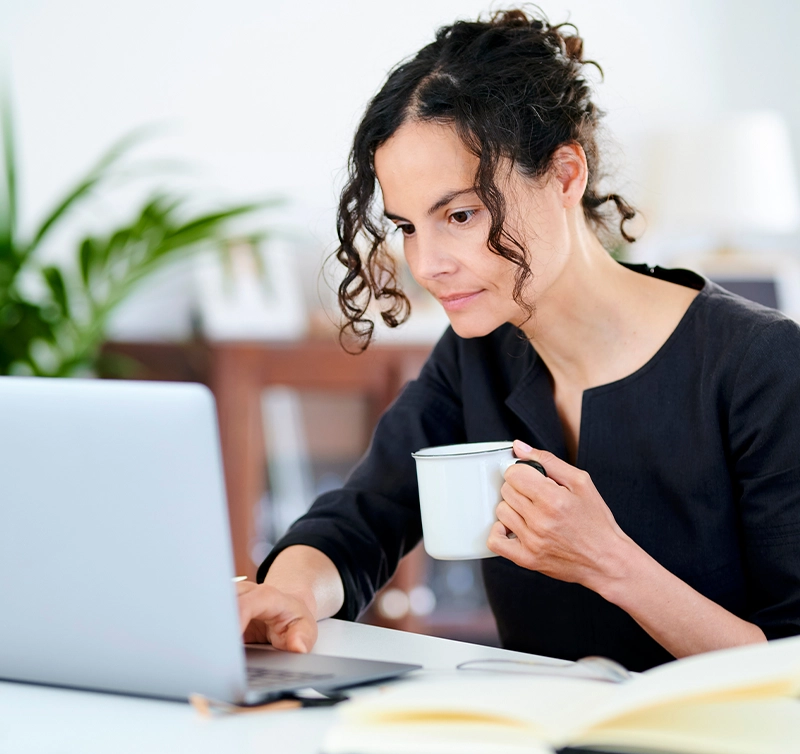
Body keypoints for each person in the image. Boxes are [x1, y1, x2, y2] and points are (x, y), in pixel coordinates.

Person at [236, 9, 800, 672]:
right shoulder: (478, 355)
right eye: (409, 226)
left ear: (565, 175)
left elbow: (788, 669)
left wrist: (609, 563)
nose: (427, 264)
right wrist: (288, 595)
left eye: (461, 214)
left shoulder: (760, 365)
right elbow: (360, 519)